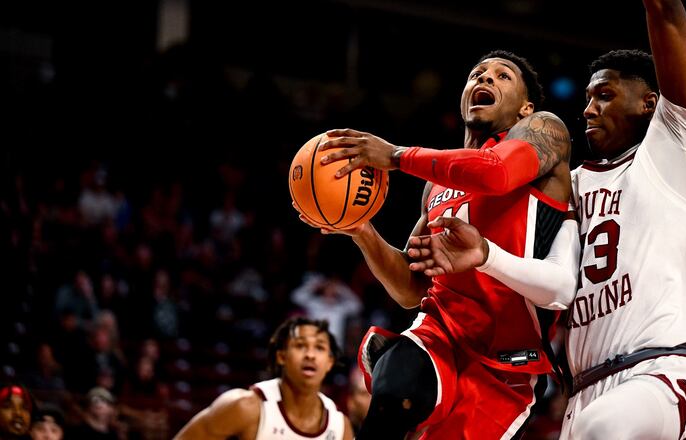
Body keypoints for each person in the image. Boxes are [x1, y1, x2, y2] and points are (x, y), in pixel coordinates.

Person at [406, 1, 686, 438]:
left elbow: (667, 15)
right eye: (588, 98)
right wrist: (483, 254)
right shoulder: (570, 185)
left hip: (659, 376)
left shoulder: (674, 152)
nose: (588, 109)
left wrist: (398, 156)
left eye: (605, 96)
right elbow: (557, 286)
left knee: (604, 426)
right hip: (583, 391)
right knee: (594, 423)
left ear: (650, 104)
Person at [301, 49, 573, 438]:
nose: (485, 79)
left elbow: (495, 175)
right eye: (477, 74)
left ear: (525, 108)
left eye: (502, 76)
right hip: (440, 333)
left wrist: (395, 156)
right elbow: (411, 289)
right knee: (394, 391)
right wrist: (362, 230)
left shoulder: (546, 130)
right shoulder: (438, 183)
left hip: (505, 366)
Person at [173, 316, 353, 439]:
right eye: (300, 345)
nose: (310, 355)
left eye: (319, 348)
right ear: (281, 356)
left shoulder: (339, 427)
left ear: (330, 362)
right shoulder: (245, 406)